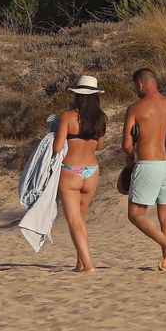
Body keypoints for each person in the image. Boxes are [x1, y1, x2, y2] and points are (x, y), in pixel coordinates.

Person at [122, 67, 166, 271]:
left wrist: (130, 158)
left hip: (149, 164)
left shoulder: (136, 108)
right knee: (165, 214)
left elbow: (126, 144)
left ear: (140, 83)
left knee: (136, 214)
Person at [56, 74, 107, 272]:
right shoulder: (101, 118)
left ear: (77, 95)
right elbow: (100, 145)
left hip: (71, 171)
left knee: (74, 222)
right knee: (81, 219)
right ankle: (80, 263)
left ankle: (88, 265)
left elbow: (57, 146)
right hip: (92, 171)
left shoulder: (67, 117)